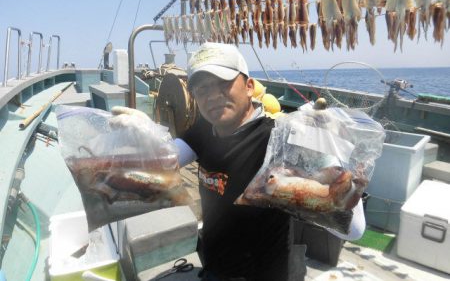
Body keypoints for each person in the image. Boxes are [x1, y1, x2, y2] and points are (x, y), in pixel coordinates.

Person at [112, 42, 365, 281]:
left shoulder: (278, 139)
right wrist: (147, 133)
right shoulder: (204, 130)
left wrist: (329, 153)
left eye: (222, 83)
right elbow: (163, 161)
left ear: (249, 86)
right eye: (201, 89)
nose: (211, 95)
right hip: (214, 268)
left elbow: (351, 230)